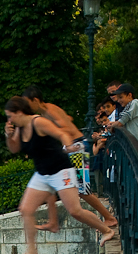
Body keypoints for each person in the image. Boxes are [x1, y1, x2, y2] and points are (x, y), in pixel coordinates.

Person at [4, 97, 115, 254]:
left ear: (19, 112)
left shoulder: (38, 122)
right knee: (25, 210)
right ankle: (32, 250)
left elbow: (61, 133)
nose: (9, 120)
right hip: (42, 174)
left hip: (60, 170)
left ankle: (107, 229)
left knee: (75, 211)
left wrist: (69, 146)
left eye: (10, 116)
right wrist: (8, 135)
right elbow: (14, 149)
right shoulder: (20, 128)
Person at [20, 86, 117, 230]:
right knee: (51, 184)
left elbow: (64, 126)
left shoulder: (48, 111)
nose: (26, 108)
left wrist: (49, 131)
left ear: (35, 100)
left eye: (27, 103)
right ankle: (53, 222)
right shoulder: (46, 111)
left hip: (75, 147)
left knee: (82, 190)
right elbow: (68, 119)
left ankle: (109, 218)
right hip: (70, 148)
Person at [111, 83, 138, 153]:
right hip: (134, 146)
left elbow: (121, 122)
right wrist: (112, 124)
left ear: (129, 95)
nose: (118, 100)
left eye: (121, 97)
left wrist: (112, 125)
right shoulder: (129, 106)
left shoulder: (134, 103)